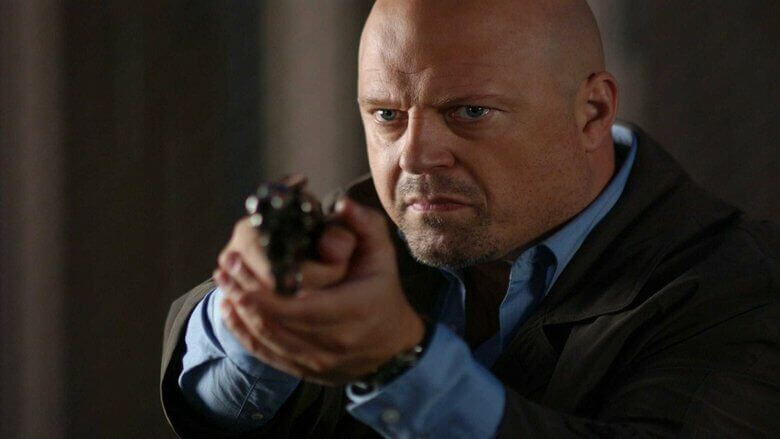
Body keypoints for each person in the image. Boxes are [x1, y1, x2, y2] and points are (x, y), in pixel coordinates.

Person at [160, 0, 780, 437]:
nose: (414, 156)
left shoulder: (745, 290)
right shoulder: (360, 227)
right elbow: (220, 409)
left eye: (470, 113)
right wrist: (256, 314)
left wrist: (398, 364)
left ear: (591, 111)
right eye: (386, 115)